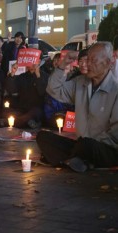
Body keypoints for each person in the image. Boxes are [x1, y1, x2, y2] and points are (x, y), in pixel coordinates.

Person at [36, 42, 118, 172]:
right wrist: (62, 65)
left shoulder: (115, 90)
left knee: (87, 145)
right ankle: (79, 161)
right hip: (81, 144)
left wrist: (89, 144)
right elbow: (54, 90)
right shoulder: (80, 82)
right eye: (87, 59)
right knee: (42, 137)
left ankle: (69, 159)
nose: (88, 64)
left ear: (108, 63)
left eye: (93, 60)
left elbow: (115, 134)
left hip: (105, 148)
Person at [3, 62, 48, 129]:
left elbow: (42, 92)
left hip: (37, 109)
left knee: (33, 114)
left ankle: (13, 122)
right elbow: (11, 90)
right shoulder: (22, 76)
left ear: (39, 61)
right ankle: (28, 122)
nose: (31, 64)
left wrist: (38, 75)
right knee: (8, 113)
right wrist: (12, 74)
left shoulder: (45, 75)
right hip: (22, 108)